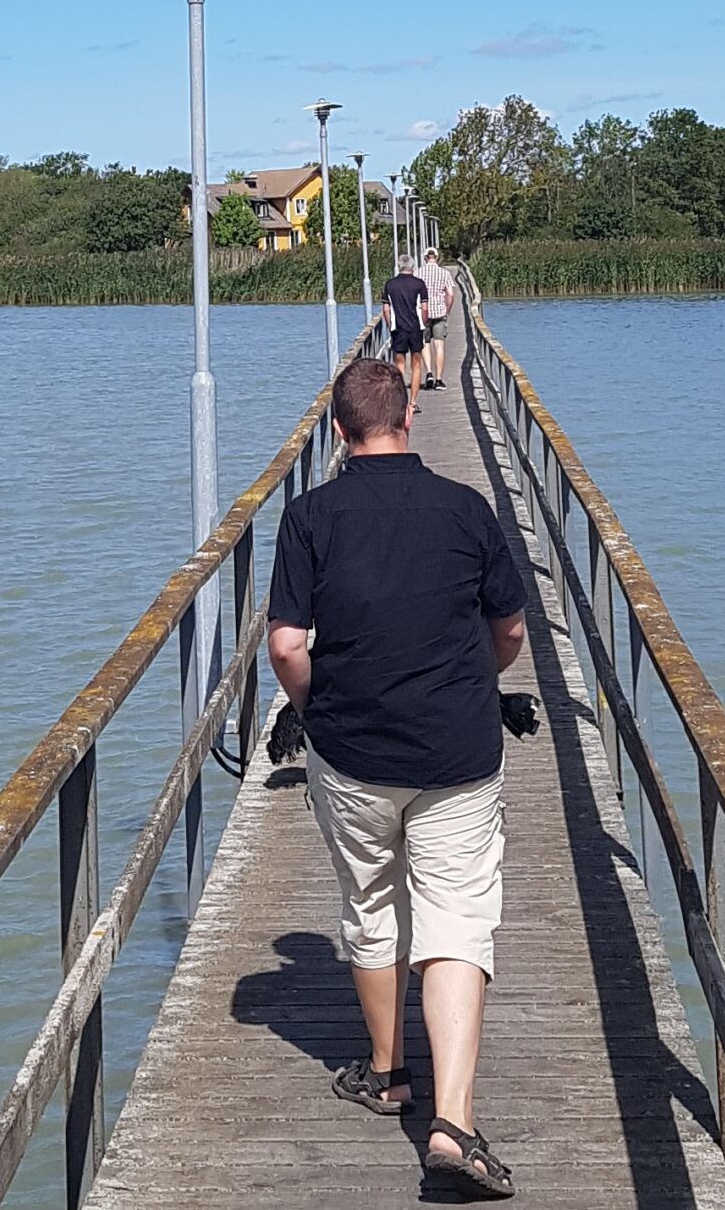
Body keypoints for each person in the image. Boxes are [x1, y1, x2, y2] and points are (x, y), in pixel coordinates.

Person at [266, 358, 529, 1199]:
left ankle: (389, 1074)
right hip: (458, 753)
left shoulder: (309, 517)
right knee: (456, 919)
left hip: (353, 757)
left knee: (373, 906)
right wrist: (475, 683)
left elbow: (285, 646)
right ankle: (452, 1124)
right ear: (411, 410)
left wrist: (319, 708)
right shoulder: (467, 509)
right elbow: (512, 630)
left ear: (338, 430)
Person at [381, 263, 428, 399]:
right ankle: (413, 401)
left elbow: (386, 309)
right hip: (415, 329)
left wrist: (391, 325)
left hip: (398, 329)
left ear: (399, 266)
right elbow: (424, 308)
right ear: (412, 268)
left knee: (399, 364)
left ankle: (402, 400)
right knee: (416, 364)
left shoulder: (390, 285)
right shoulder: (419, 284)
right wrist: (423, 323)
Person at [414, 247, 457, 390]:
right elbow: (450, 294)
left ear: (425, 258)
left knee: (425, 343)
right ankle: (439, 380)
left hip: (423, 313)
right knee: (439, 345)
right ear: (437, 258)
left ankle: (429, 373)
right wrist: (447, 310)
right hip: (439, 313)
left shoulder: (418, 273)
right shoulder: (444, 273)